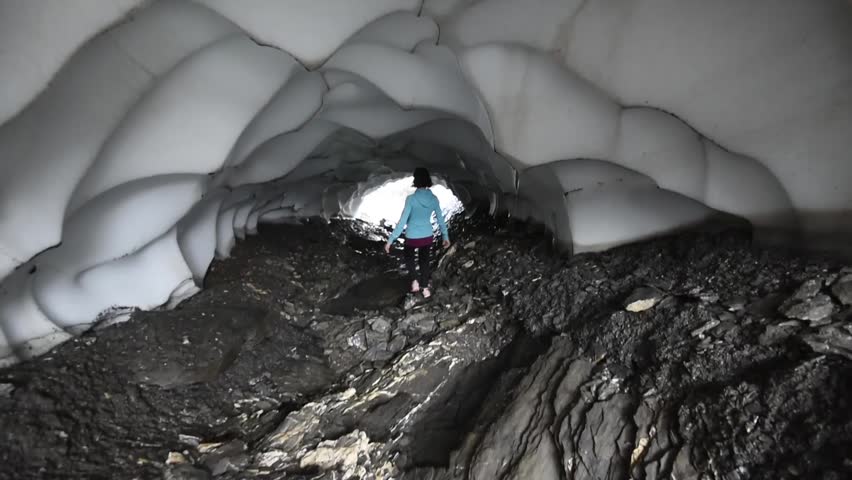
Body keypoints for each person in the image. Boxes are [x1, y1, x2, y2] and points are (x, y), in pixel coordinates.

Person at [384, 168, 450, 298]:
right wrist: (445, 236)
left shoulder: (411, 199)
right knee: (424, 262)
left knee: (409, 258)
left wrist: (391, 240)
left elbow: (402, 221)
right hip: (427, 236)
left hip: (412, 236)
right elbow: (441, 220)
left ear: (416, 181)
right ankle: (425, 289)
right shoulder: (434, 199)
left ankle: (415, 281)